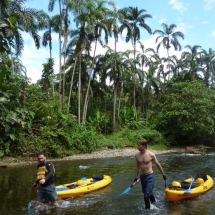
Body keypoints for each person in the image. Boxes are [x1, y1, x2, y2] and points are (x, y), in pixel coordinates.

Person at [134, 138, 166, 210]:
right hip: (142, 177)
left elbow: (158, 164)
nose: (137, 147)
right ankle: (154, 203)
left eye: (139, 145)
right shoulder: (137, 155)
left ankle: (147, 211)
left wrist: (163, 174)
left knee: (146, 196)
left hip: (150, 176)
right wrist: (136, 177)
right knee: (147, 193)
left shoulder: (151, 154)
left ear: (144, 146)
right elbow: (138, 167)